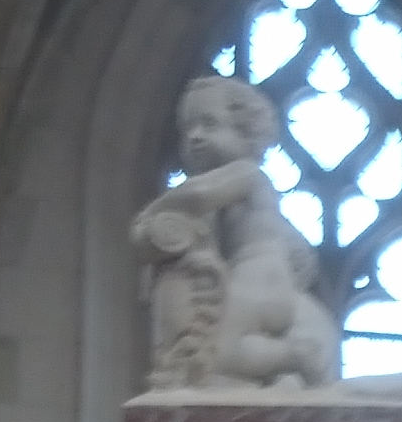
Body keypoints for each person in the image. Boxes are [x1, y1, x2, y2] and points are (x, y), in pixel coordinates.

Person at [138, 74, 337, 391]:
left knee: (212, 355)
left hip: (258, 275)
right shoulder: (233, 203)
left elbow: (198, 193)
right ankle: (286, 367)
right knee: (208, 357)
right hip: (252, 278)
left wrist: (152, 214)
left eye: (209, 125)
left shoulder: (248, 175)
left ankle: (296, 356)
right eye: (187, 129)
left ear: (246, 132)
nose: (195, 137)